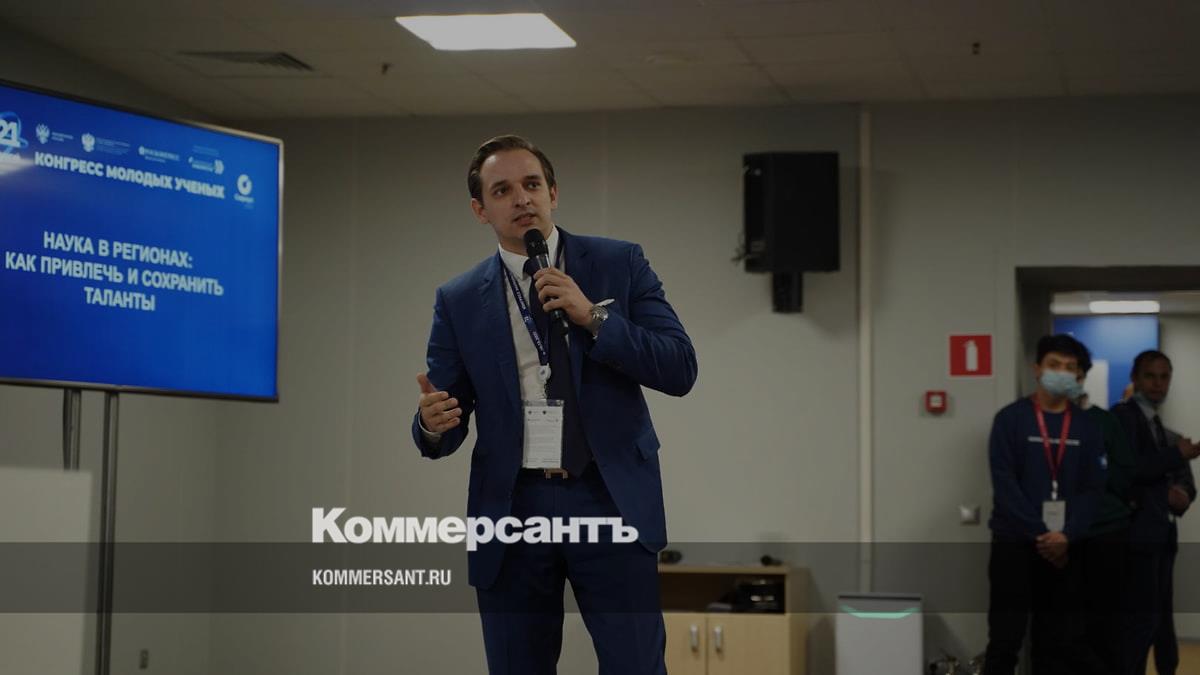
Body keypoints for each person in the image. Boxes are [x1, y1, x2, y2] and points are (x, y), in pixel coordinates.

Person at [410, 134, 698, 675]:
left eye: (532, 184)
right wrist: (431, 425)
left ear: (553, 193)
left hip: (608, 499)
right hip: (514, 507)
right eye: (502, 190)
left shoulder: (618, 263)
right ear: (480, 209)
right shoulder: (458, 299)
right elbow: (445, 415)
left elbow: (680, 367)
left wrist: (594, 317)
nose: (522, 198)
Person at [982, 334, 1106, 675]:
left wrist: (1067, 535)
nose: (1061, 373)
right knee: (1005, 640)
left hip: (1066, 547)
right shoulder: (1010, 419)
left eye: (1070, 367)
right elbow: (1005, 485)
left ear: (1079, 376)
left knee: (1057, 644)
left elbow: (1093, 489)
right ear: (1037, 369)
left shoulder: (1087, 427)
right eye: (1054, 365)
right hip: (1014, 544)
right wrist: (1043, 536)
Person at [1112, 350, 1199, 675]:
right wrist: (1176, 456)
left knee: (1160, 620)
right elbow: (1130, 471)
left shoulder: (1160, 427)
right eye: (1150, 376)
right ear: (1135, 378)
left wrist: (1183, 495)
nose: (1158, 384)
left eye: (1164, 377)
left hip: (1161, 536)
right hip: (1136, 538)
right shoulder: (1123, 417)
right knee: (1139, 625)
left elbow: (1182, 481)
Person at [1070, 351, 1136, 674]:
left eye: (1072, 369)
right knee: (1061, 629)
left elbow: (1124, 476)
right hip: (1057, 538)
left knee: (1105, 628)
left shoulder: (1104, 422)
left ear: (1083, 375)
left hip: (1104, 533)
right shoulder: (1032, 420)